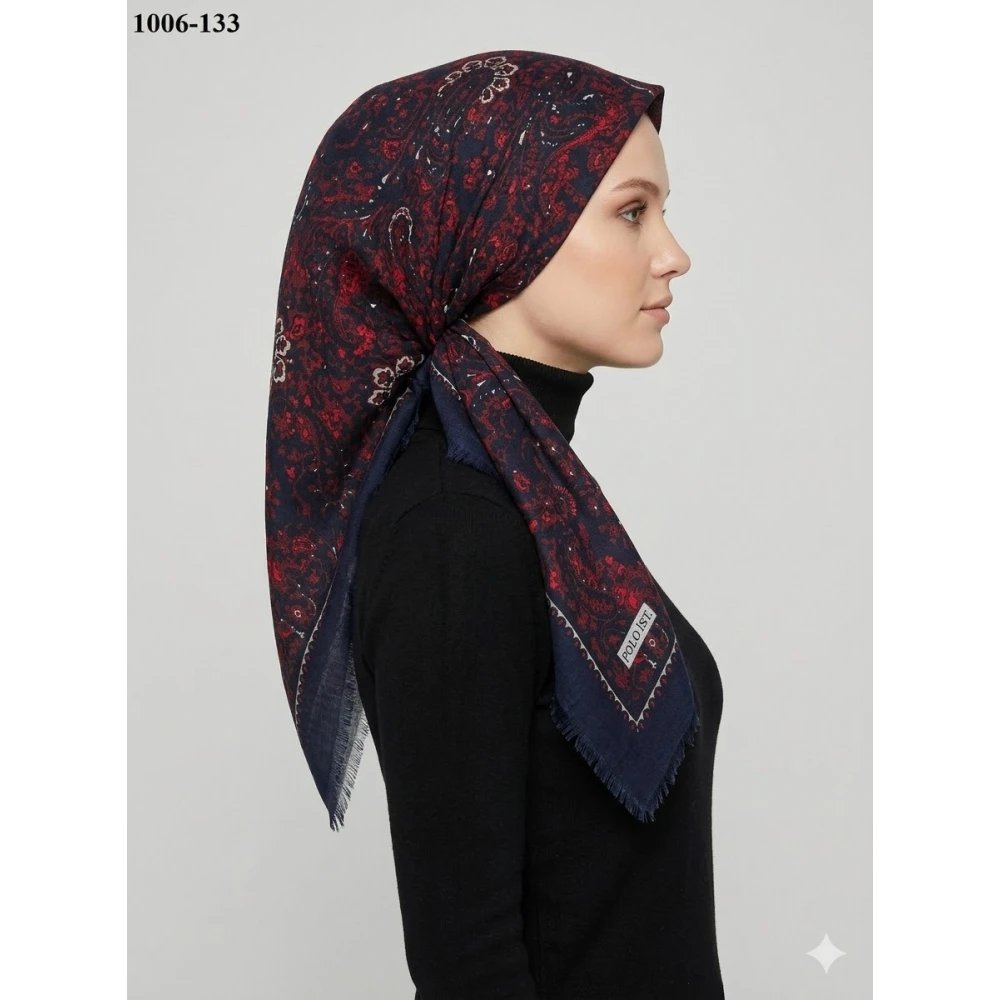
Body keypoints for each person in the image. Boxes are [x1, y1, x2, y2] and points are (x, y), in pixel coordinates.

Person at [266, 50, 724, 999]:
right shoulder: (453, 530)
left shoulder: (534, 490)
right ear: (504, 226)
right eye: (632, 212)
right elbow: (465, 961)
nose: (672, 253)